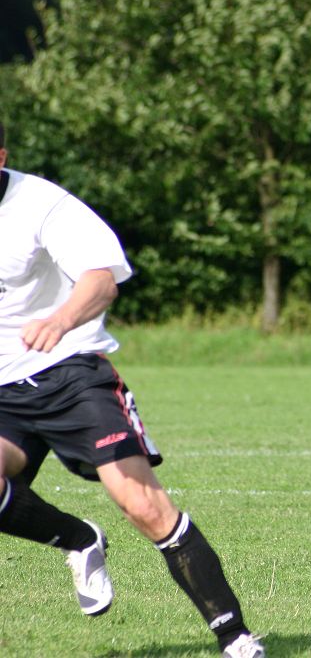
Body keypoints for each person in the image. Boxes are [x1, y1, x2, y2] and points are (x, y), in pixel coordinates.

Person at [0, 122, 265, 658]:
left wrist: (61, 319)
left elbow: (101, 279)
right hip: (4, 389)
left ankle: (234, 636)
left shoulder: (42, 204)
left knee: (141, 505)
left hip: (70, 372)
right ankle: (79, 539)